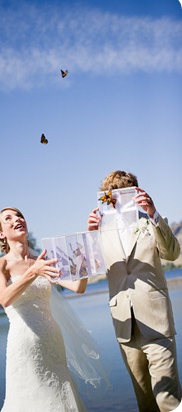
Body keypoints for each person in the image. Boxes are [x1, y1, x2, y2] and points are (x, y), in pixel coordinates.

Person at [0, 207, 104, 412]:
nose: (17, 219)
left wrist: (84, 258)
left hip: (53, 341)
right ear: (1, 233)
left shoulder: (43, 258)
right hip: (25, 346)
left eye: (19, 216)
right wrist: (33, 272)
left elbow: (79, 287)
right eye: (8, 218)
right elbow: (4, 299)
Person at [87, 170, 182, 412]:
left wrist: (153, 213)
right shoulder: (101, 230)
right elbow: (87, 269)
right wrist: (90, 236)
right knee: (145, 402)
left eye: (124, 193)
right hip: (125, 326)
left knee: (167, 399)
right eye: (112, 196)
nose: (118, 200)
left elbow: (172, 254)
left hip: (157, 322)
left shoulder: (149, 222)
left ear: (135, 192)